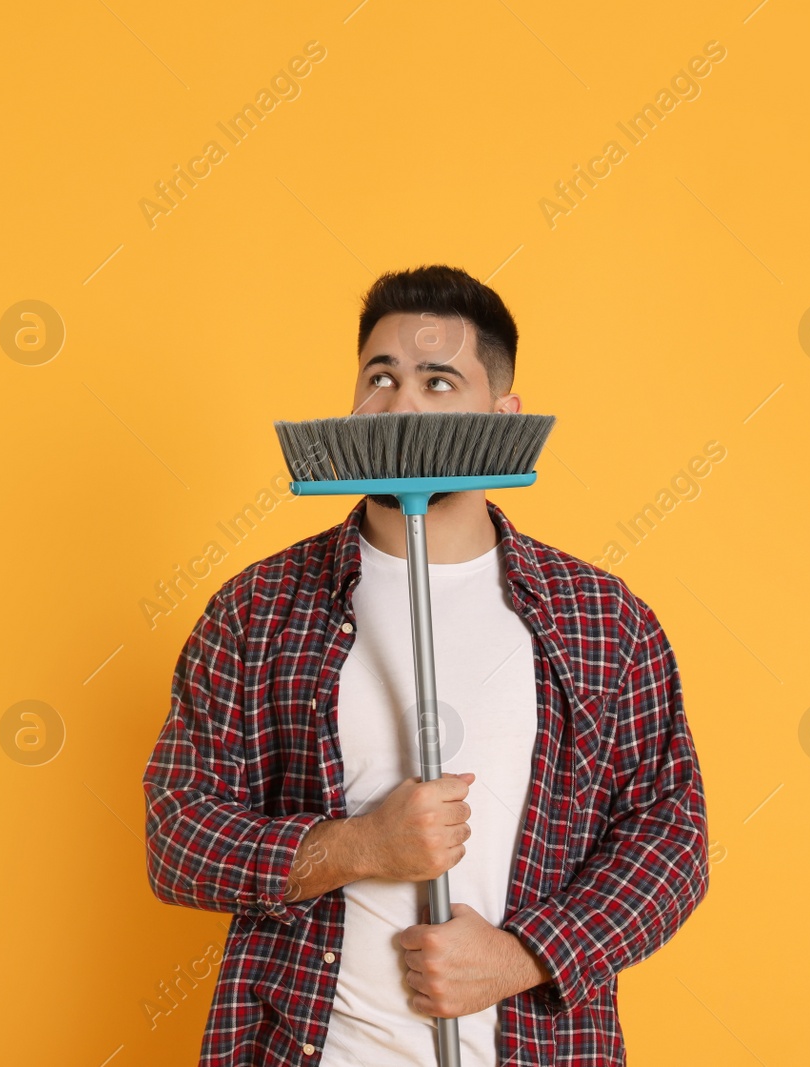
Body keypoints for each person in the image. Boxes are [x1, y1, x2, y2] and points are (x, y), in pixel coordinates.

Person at [142, 264, 708, 1066]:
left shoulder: (603, 618)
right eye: (382, 377)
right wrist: (360, 846)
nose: (402, 404)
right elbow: (178, 834)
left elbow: (671, 837)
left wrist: (520, 958)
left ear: (502, 415)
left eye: (439, 381)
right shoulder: (259, 607)